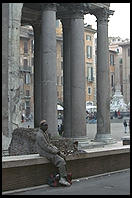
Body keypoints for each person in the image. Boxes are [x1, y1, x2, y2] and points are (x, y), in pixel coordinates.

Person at [36, 120, 71, 187]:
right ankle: (62, 179)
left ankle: (61, 174)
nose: (47, 126)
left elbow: (49, 144)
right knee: (61, 161)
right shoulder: (39, 135)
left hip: (47, 150)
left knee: (63, 156)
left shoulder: (44, 133)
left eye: (47, 125)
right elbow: (45, 147)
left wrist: (57, 150)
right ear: (41, 126)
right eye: (45, 125)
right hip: (44, 152)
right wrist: (55, 151)